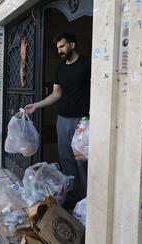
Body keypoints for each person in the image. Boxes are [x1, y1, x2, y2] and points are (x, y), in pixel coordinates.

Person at [24, 32, 91, 209]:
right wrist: (36, 105)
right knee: (67, 159)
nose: (59, 50)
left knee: (82, 161)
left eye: (62, 46)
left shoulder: (87, 64)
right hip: (62, 119)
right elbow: (56, 93)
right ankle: (72, 196)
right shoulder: (60, 68)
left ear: (72, 45)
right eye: (58, 48)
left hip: (82, 121)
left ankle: (85, 200)